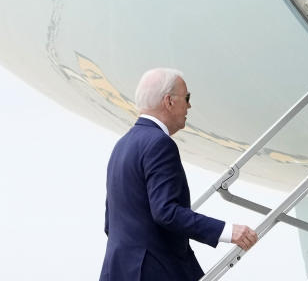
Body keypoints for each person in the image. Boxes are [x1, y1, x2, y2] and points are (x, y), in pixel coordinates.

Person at [100, 68, 258, 281]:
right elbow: (165, 212)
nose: (189, 105)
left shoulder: (123, 145)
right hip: (154, 271)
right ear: (169, 101)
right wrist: (228, 231)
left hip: (119, 270)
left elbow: (111, 222)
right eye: (187, 97)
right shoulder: (159, 143)